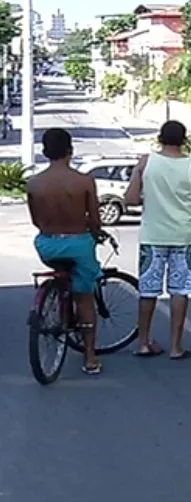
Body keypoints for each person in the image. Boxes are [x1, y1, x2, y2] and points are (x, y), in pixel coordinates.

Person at [124, 120, 191, 360]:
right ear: (183, 140)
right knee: (180, 292)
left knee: (148, 291)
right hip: (185, 237)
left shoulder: (146, 163)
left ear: (160, 138)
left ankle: (144, 342)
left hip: (153, 235)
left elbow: (131, 199)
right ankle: (176, 347)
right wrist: (187, 205)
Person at [27, 128, 104, 375]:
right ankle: (90, 357)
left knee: (60, 272)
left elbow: (36, 221)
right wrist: (96, 235)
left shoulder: (34, 183)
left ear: (45, 151)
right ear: (70, 150)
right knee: (84, 296)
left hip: (47, 244)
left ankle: (58, 299)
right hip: (78, 243)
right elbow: (94, 220)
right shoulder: (83, 181)